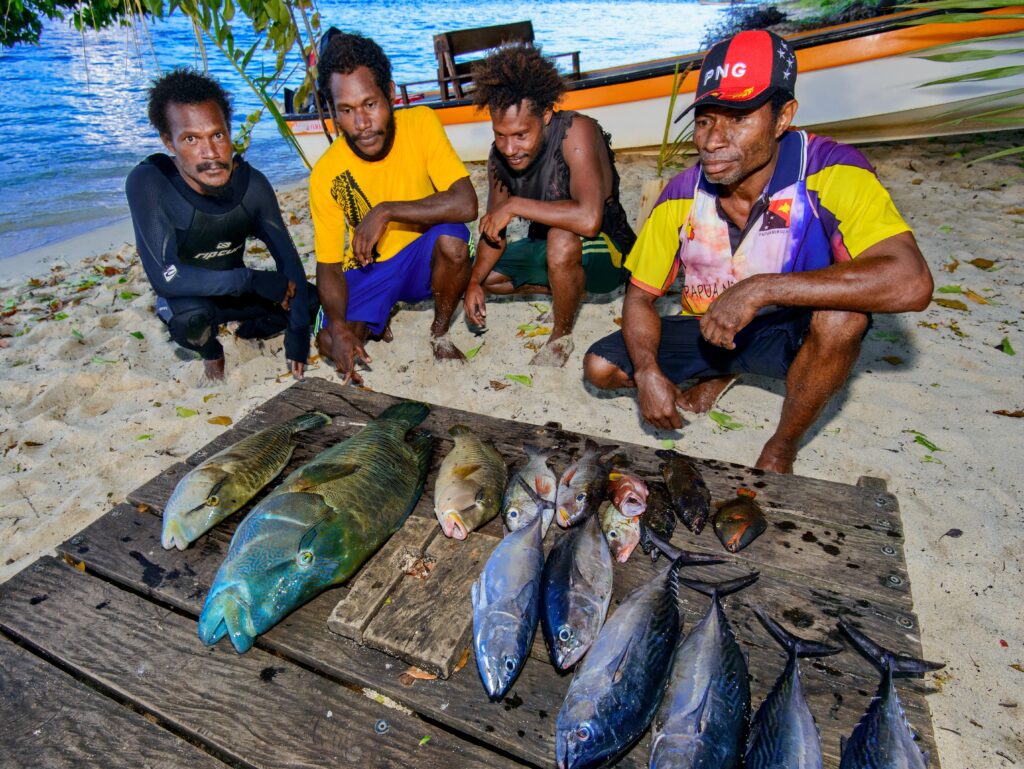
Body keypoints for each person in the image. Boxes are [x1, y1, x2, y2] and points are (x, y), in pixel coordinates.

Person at [583, 30, 934, 473]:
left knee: (844, 318)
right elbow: (639, 296)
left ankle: (782, 448)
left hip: (790, 328)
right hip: (709, 324)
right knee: (601, 368)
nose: (713, 140)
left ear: (782, 117)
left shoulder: (833, 171)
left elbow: (911, 282)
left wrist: (761, 289)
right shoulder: (680, 195)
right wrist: (650, 371)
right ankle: (719, 369)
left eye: (738, 118)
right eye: (706, 120)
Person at [126, 68, 316, 383]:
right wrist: (251, 280)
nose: (211, 154)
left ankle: (247, 333)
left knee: (310, 300)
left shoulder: (251, 185)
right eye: (191, 139)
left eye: (217, 135)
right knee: (191, 322)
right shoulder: (150, 183)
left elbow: (288, 260)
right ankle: (212, 351)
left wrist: (297, 335)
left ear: (229, 132)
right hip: (189, 298)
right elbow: (167, 279)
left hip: (236, 297)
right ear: (168, 143)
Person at [310, 32, 477, 385]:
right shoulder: (325, 172)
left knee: (454, 241)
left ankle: (440, 332)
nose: (361, 123)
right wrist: (338, 326)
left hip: (421, 264)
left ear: (389, 92)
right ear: (333, 112)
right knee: (329, 340)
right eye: (347, 110)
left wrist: (386, 211)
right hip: (369, 271)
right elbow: (327, 266)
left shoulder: (420, 124)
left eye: (370, 104)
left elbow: (466, 203)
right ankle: (378, 316)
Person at [464, 42, 637, 367]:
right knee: (483, 275)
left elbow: (588, 219)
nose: (509, 147)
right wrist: (473, 283)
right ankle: (566, 291)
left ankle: (561, 336)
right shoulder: (498, 156)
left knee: (561, 239)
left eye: (519, 135)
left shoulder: (576, 132)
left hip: (608, 251)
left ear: (545, 114)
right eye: (500, 135)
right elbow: (493, 230)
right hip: (552, 249)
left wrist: (515, 204)